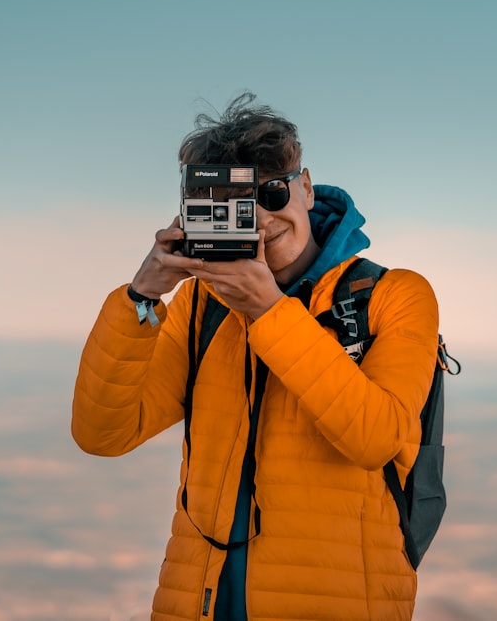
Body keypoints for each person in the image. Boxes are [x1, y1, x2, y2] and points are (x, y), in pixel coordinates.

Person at [72, 93, 440, 621]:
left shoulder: (392, 294)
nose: (262, 219)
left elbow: (376, 437)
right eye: (236, 204)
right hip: (196, 598)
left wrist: (267, 310)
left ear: (306, 187)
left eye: (272, 192)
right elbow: (102, 434)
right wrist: (141, 298)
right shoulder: (204, 305)